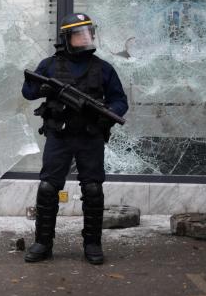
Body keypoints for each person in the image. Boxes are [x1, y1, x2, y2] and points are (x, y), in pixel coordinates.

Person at [21, 13, 128, 265]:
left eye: (88, 33)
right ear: (67, 38)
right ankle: (43, 243)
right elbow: (27, 91)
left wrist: (108, 117)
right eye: (79, 34)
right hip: (59, 136)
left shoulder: (103, 68)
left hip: (90, 138)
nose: (85, 38)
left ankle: (92, 243)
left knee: (92, 190)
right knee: (48, 188)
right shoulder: (49, 65)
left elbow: (120, 101)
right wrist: (42, 89)